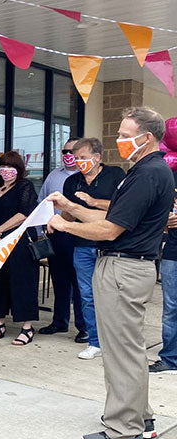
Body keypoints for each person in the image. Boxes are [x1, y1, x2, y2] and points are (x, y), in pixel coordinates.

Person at [48, 106, 173, 439]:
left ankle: (124, 430)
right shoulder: (145, 171)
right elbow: (109, 214)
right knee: (128, 349)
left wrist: (65, 224)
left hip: (124, 267)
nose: (117, 140)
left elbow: (109, 228)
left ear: (146, 138)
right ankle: (140, 419)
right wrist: (70, 206)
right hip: (127, 267)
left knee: (120, 352)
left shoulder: (148, 174)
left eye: (123, 134)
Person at [62, 138, 125, 360]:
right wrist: (65, 209)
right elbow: (67, 214)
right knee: (87, 296)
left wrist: (93, 201)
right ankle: (94, 342)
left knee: (113, 295)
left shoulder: (116, 175)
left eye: (83, 158)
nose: (79, 162)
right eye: (76, 158)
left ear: (97, 157)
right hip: (82, 244)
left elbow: (124, 206)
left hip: (111, 246)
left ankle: (117, 342)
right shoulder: (71, 182)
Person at [0, 150, 39, 346]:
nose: (6, 170)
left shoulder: (25, 187)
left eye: (11, 167)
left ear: (19, 169)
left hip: (18, 244)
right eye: (3, 166)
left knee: (22, 283)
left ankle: (27, 327)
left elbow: (23, 215)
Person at [38, 137, 87, 342]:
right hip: (55, 233)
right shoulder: (53, 176)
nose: (68, 156)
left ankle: (84, 327)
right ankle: (59, 321)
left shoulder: (86, 176)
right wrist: (41, 228)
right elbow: (41, 202)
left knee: (79, 283)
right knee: (59, 280)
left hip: (79, 234)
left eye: (72, 152)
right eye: (65, 152)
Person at [150, 172, 177, 374]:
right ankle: (169, 357)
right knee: (171, 307)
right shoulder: (170, 177)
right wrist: (165, 218)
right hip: (173, 252)